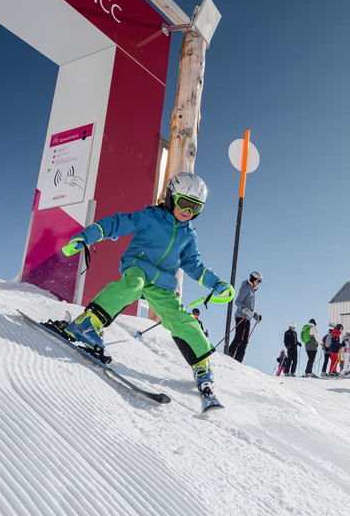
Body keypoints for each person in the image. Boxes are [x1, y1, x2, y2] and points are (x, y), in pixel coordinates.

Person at [60, 172, 232, 404]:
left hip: (163, 282)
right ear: (172, 197)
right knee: (133, 284)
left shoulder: (188, 234)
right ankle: (88, 323)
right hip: (138, 266)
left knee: (179, 317)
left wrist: (216, 283)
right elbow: (117, 223)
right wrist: (85, 237)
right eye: (183, 203)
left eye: (195, 208)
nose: (187, 212)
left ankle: (201, 364)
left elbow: (192, 264)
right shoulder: (150, 217)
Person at [228, 271, 262, 362]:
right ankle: (228, 357)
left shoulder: (254, 291)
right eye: (258, 281)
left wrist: (256, 316)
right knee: (239, 338)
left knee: (245, 342)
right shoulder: (246, 287)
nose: (259, 284)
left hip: (247, 318)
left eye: (260, 282)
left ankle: (238, 361)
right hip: (241, 316)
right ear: (253, 279)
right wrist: (245, 310)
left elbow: (251, 308)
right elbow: (237, 301)